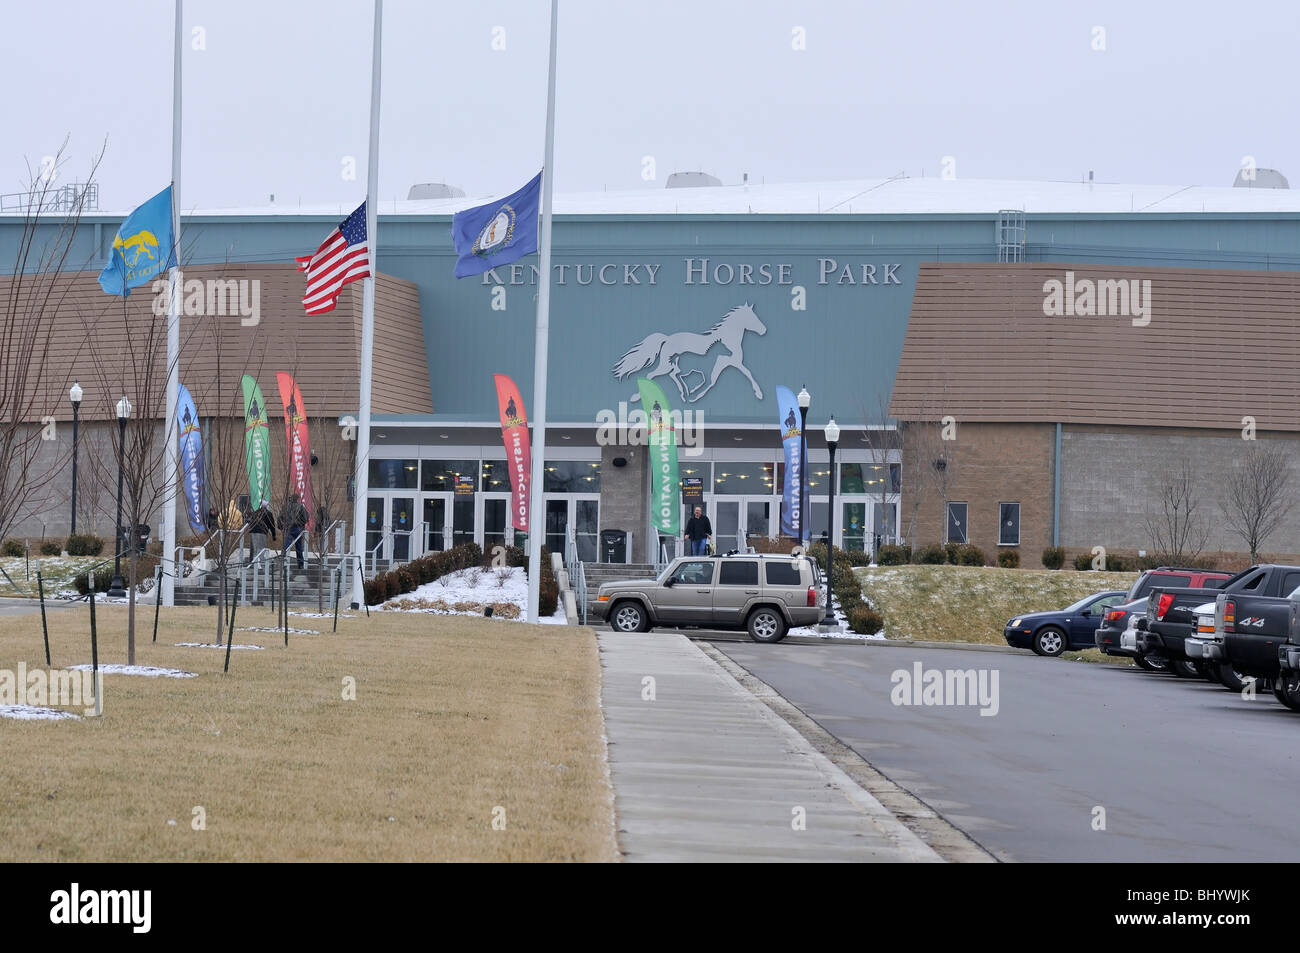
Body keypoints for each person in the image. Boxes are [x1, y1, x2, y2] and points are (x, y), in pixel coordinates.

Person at [281, 493, 308, 570]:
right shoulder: (300, 507)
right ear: (297, 499)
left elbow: (280, 517)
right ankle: (300, 564)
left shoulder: (286, 507)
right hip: (297, 528)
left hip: (288, 528)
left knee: (286, 546)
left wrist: (282, 526)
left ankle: (284, 562)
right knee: (299, 547)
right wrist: (301, 523)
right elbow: (306, 518)